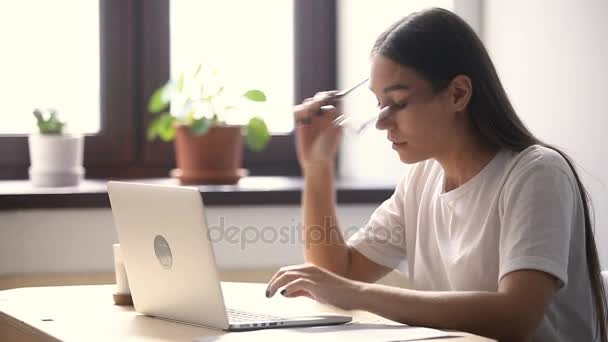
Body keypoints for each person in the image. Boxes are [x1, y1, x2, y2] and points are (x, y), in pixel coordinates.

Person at [264, 7, 607, 342]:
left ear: (458, 93)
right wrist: (317, 166)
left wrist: (358, 294)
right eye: (378, 104)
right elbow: (337, 275)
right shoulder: (421, 180)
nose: (382, 122)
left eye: (397, 103)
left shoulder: (536, 174)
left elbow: (516, 317)